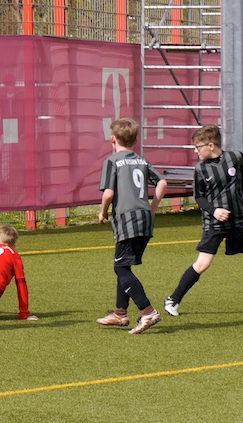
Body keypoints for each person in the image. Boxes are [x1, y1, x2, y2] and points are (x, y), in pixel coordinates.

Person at [164, 125, 243, 316]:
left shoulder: (236, 158)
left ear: (210, 145)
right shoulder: (200, 169)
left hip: (239, 220)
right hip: (214, 223)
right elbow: (199, 197)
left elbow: (242, 179)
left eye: (198, 147)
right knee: (203, 264)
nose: (195, 151)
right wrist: (214, 210)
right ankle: (173, 300)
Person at [96, 118, 167, 334]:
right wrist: (153, 207)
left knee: (120, 267)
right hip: (145, 218)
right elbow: (162, 182)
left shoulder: (113, 161)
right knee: (124, 266)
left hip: (127, 220)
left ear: (113, 139)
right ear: (135, 140)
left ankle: (148, 311)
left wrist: (103, 211)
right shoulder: (141, 161)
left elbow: (109, 193)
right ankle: (120, 313)